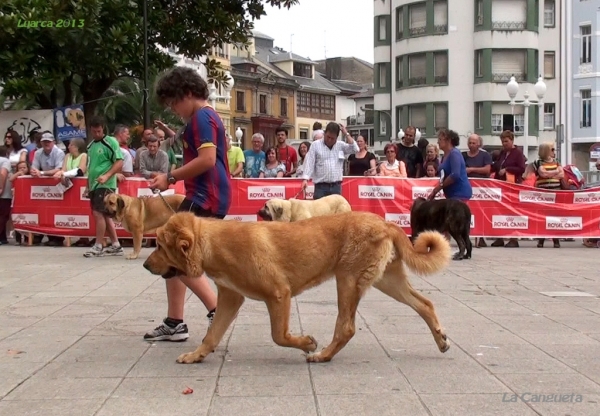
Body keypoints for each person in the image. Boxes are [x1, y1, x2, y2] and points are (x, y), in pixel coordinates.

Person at [146, 66, 229, 342]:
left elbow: (206, 160)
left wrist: (169, 177)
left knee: (173, 254)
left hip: (206, 196)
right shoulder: (206, 116)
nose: (173, 109)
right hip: (209, 194)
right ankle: (175, 321)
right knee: (170, 252)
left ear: (189, 93)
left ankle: (216, 310)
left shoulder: (202, 118)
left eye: (173, 102)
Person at [84, 116, 124, 258]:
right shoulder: (90, 146)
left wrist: (107, 176)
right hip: (94, 185)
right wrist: (87, 185)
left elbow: (119, 161)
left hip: (105, 184)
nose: (97, 134)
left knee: (98, 213)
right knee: (106, 216)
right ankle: (116, 245)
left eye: (99, 131)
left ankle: (98, 245)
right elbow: (90, 167)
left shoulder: (111, 142)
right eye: (94, 131)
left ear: (103, 129)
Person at [301, 123, 358, 199]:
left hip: (336, 186)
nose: (329, 140)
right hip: (320, 187)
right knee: (320, 210)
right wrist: (305, 179)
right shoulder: (315, 145)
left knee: (337, 211)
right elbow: (310, 163)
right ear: (324, 133)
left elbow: (355, 149)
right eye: (328, 137)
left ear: (337, 137)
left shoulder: (341, 145)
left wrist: (346, 133)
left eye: (332, 138)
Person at [428, 129, 472, 201]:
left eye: (440, 139)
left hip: (459, 193)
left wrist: (439, 187)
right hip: (451, 194)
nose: (438, 142)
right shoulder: (444, 156)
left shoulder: (454, 153)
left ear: (448, 141)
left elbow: (455, 175)